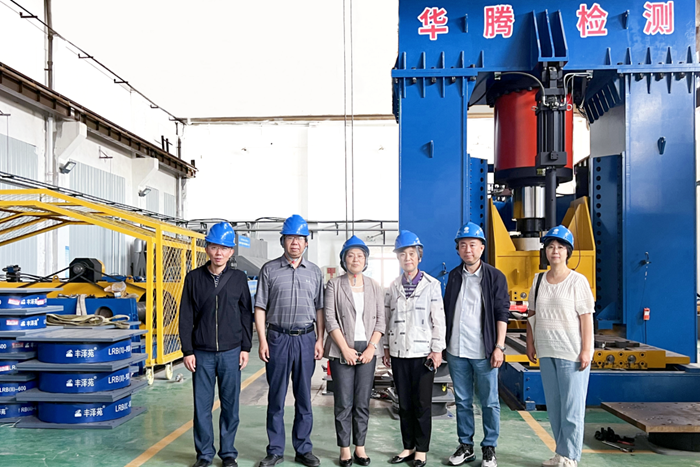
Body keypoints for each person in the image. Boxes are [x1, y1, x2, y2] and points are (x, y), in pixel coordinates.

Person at [179, 222, 253, 467]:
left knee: (230, 405)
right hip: (202, 353)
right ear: (207, 249)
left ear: (231, 251)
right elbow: (185, 316)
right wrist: (187, 350)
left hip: (231, 351)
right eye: (214, 247)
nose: (218, 252)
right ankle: (204, 455)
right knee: (202, 406)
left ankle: (228, 452)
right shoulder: (193, 278)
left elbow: (246, 314)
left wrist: (245, 347)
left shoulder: (238, 278)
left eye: (224, 248)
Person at [255, 214, 325, 467]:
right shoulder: (269, 270)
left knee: (304, 396)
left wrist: (320, 339)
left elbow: (320, 308)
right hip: (277, 339)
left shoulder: (315, 272)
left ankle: (303, 449)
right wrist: (262, 340)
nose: (295, 242)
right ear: (282, 241)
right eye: (290, 238)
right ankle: (275, 450)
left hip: (306, 339)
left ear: (306, 243)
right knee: (276, 396)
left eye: (300, 238)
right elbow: (260, 307)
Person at [526, 225, 594, 467]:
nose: (555, 251)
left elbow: (586, 318)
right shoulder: (538, 280)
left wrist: (586, 350)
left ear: (568, 252)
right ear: (545, 251)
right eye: (551, 247)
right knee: (554, 408)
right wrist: (530, 343)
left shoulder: (578, 281)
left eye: (560, 247)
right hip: (547, 350)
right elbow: (532, 313)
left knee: (572, 408)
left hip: (571, 352)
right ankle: (561, 453)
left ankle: (571, 457)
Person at [444, 222, 510, 467]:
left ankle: (489, 447)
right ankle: (466, 446)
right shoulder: (454, 276)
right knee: (462, 401)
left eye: (472, 244)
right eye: (463, 245)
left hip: (484, 351)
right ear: (458, 249)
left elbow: (502, 312)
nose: (468, 250)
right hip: (456, 350)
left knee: (489, 402)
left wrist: (499, 347)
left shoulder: (495, 276)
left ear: (482, 248)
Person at [383, 230, 446, 467]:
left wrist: (437, 350)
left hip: (423, 355)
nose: (407, 258)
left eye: (411, 253)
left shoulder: (432, 285)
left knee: (421, 404)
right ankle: (408, 447)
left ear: (419, 256)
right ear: (398, 258)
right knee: (404, 404)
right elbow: (387, 318)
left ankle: (421, 450)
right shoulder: (393, 286)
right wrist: (386, 347)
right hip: (399, 353)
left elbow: (439, 320)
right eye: (402, 254)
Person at [324, 235, 385, 467]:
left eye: (360, 255)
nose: (356, 259)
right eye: (351, 255)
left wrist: (371, 347)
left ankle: (360, 447)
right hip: (342, 349)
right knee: (343, 401)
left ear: (366, 260)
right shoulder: (334, 285)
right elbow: (330, 319)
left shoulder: (375, 286)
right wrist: (344, 349)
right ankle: (344, 449)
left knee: (362, 401)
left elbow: (381, 320)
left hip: (367, 349)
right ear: (344, 259)